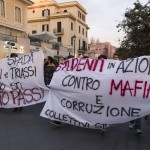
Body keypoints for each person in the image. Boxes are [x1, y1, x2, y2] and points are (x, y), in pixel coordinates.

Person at [44, 56, 61, 126]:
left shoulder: (53, 67)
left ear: (50, 60)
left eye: (47, 59)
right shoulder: (45, 65)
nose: (45, 60)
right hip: (46, 82)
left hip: (50, 82)